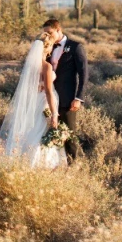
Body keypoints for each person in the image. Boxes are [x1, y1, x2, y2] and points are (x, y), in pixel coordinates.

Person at [0, 31, 67, 169]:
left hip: (32, 102)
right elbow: (48, 92)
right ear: (48, 47)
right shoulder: (46, 67)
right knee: (41, 133)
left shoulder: (30, 65)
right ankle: (39, 163)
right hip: (43, 103)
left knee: (32, 131)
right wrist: (54, 114)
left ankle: (24, 159)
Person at [42, 18, 88, 162]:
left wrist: (78, 98)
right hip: (47, 99)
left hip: (67, 98)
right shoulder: (46, 47)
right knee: (50, 133)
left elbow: (84, 73)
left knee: (69, 134)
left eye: (50, 33)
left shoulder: (75, 47)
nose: (48, 36)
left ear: (58, 30)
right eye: (45, 34)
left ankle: (73, 165)